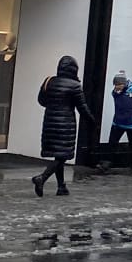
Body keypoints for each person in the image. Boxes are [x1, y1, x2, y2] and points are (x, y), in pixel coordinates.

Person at [32, 55, 94, 197]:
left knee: (58, 155)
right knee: (61, 157)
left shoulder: (49, 81)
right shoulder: (75, 86)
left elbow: (41, 101)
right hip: (66, 125)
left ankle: (61, 187)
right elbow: (82, 107)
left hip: (49, 122)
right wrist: (92, 121)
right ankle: (42, 178)